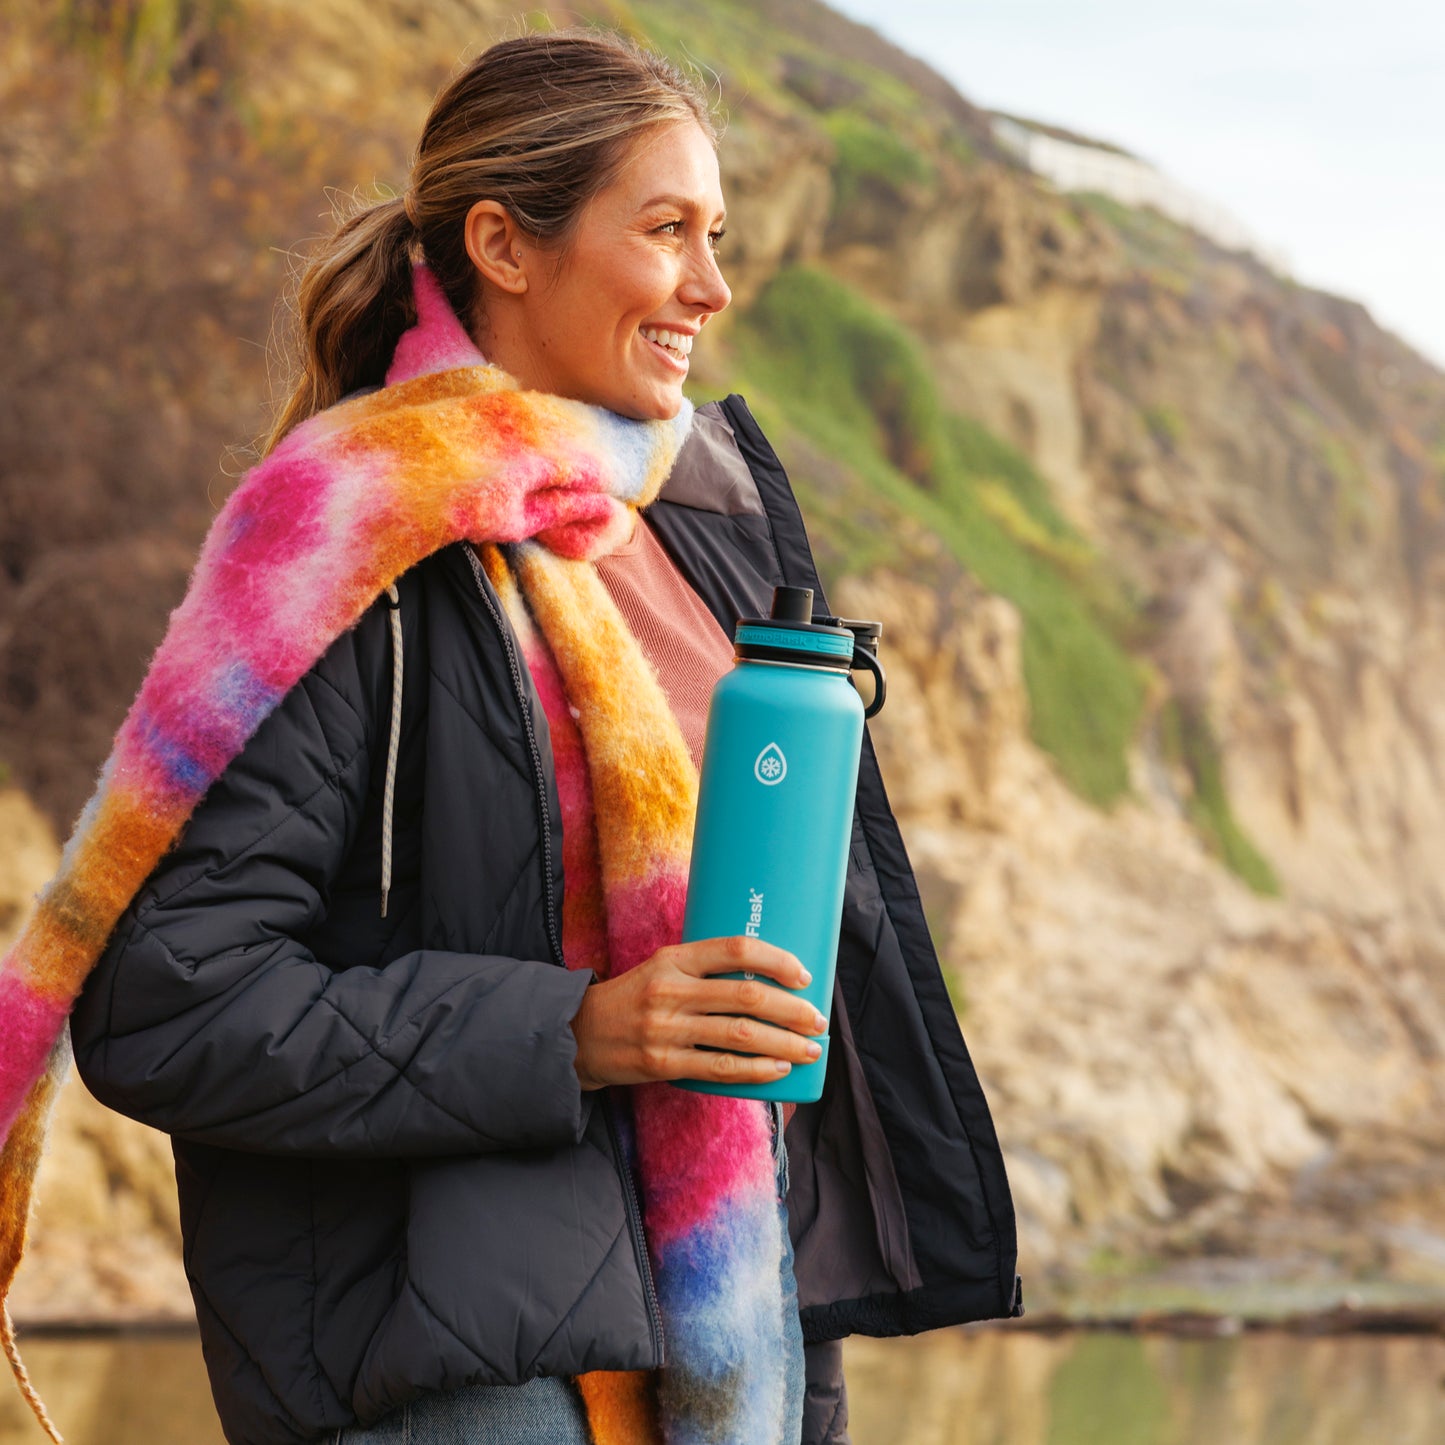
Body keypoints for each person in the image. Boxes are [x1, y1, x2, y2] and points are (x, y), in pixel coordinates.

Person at [0, 27, 1018, 1445]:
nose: (709, 287)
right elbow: (167, 1006)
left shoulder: (699, 538)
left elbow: (770, 1034)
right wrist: (581, 1028)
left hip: (731, 1365)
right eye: (665, 231)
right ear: (504, 242)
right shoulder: (352, 549)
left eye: (715, 236)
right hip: (450, 1385)